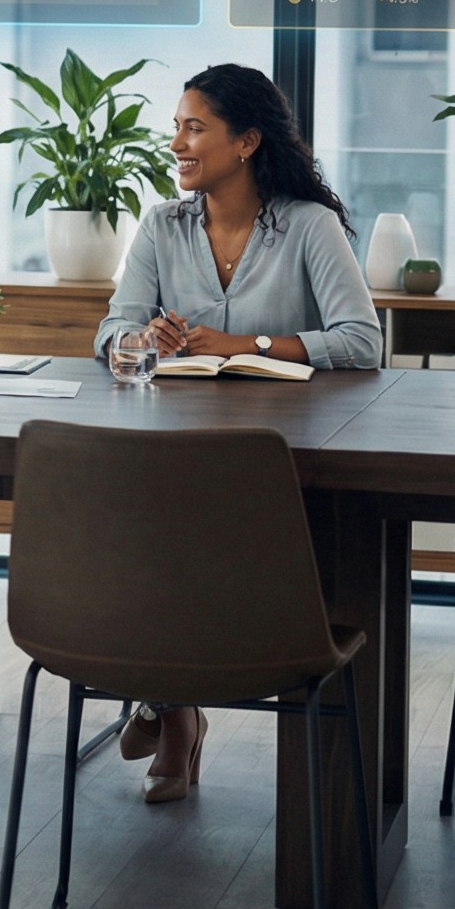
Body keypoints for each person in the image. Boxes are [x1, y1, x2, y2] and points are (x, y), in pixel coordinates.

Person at [94, 61, 382, 801]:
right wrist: (142, 342)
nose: (178, 143)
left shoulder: (307, 226)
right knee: (140, 524)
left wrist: (243, 345)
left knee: (177, 538)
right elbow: (112, 331)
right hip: (174, 443)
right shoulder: (164, 223)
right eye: (177, 126)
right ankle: (177, 712)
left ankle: (165, 702)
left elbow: (361, 341)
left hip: (286, 458)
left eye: (196, 128)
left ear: (247, 141)